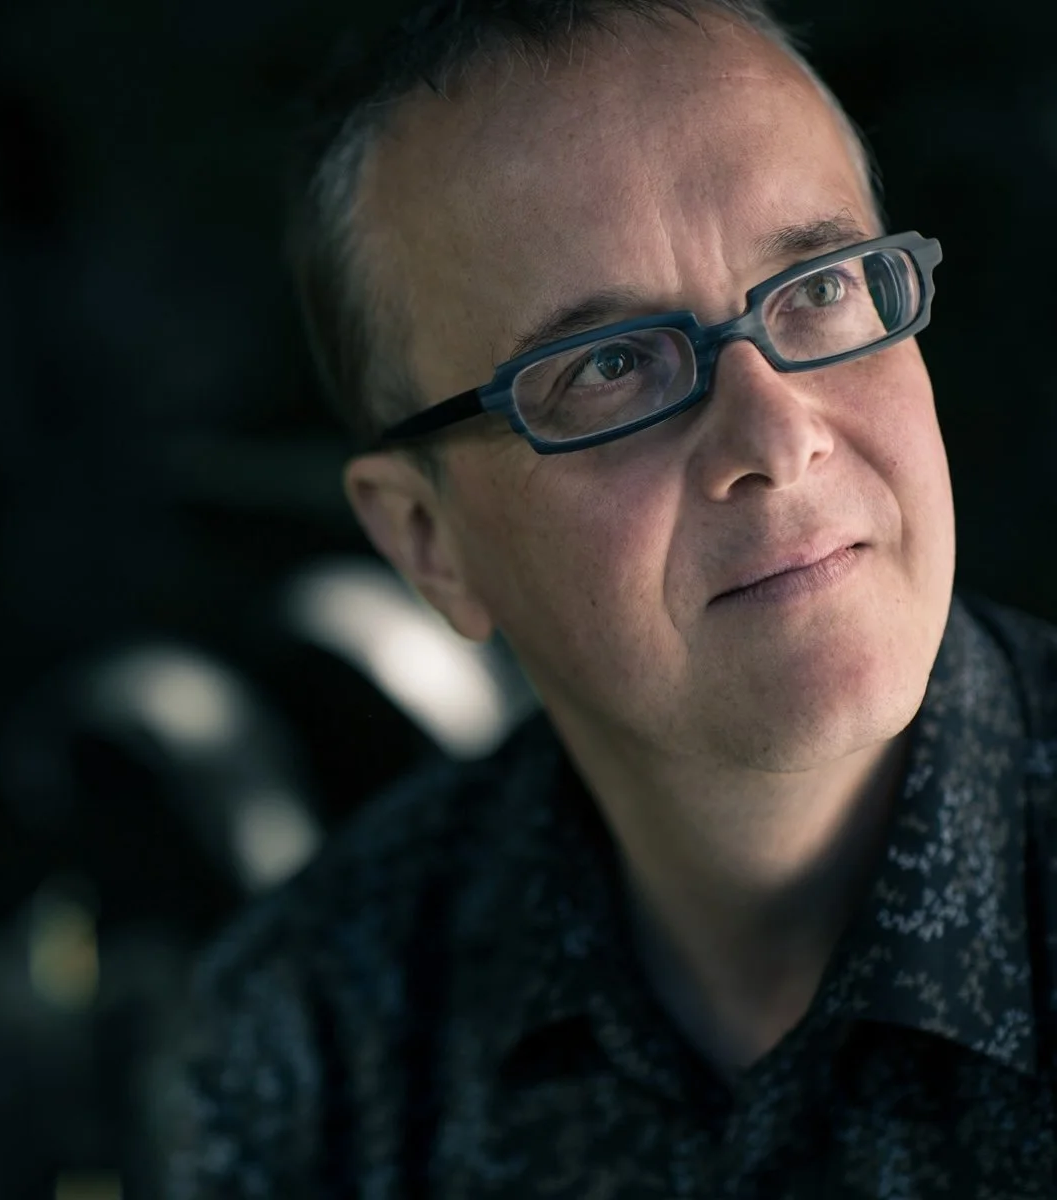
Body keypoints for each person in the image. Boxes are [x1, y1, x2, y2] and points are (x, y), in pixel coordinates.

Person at [166, 0, 1057, 1194]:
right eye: (610, 365)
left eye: (818, 289)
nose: (776, 437)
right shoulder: (312, 1041)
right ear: (429, 542)